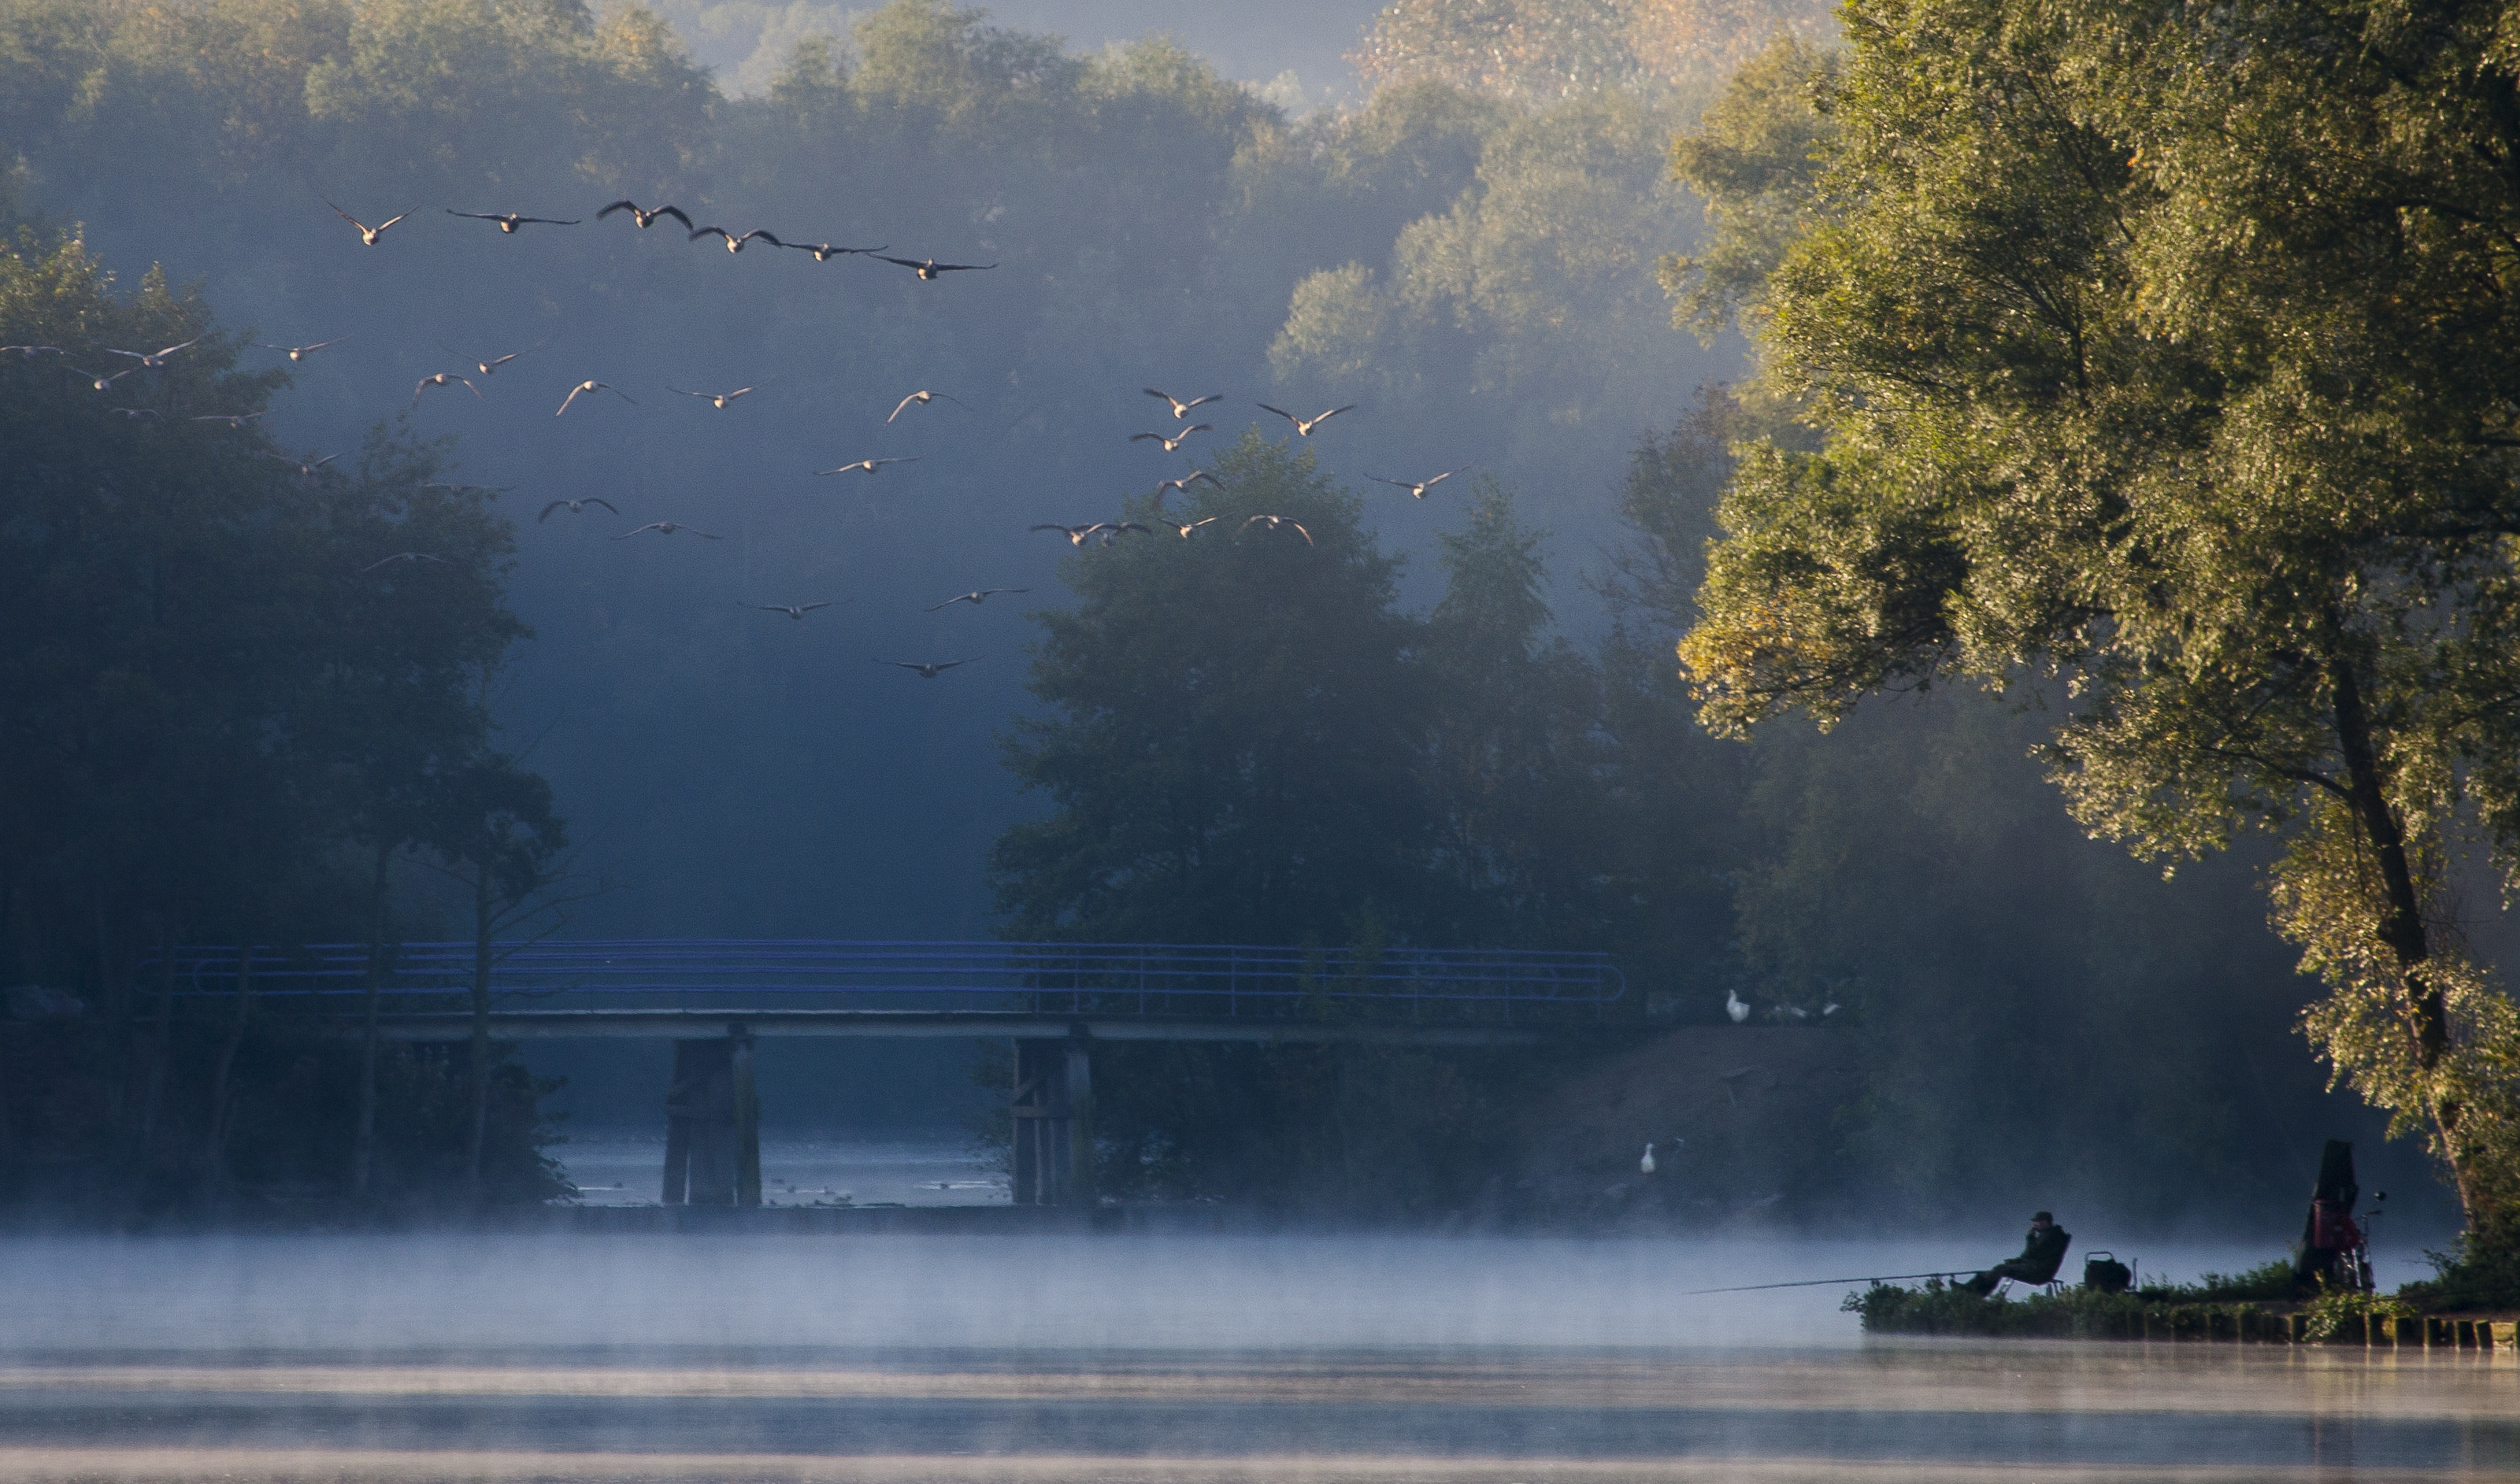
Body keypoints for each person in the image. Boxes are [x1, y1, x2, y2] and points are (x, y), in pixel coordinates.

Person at [1962, 1212, 2072, 1295]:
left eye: (2036, 1222)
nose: (2034, 1225)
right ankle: (1973, 1290)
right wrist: (2016, 1261)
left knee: (2000, 1269)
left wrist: (2030, 1237)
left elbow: (2031, 1253)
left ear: (2044, 1222)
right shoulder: (2051, 1235)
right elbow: (2033, 1256)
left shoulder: (2051, 1236)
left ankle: (1971, 1292)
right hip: (2037, 1269)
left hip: (2038, 1273)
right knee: (2000, 1269)